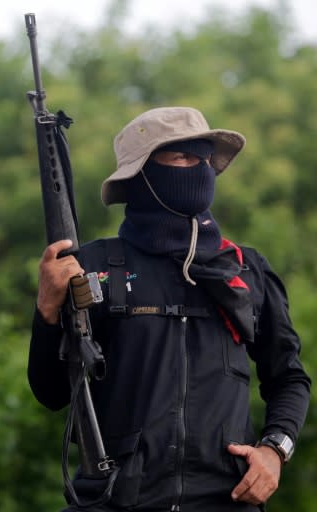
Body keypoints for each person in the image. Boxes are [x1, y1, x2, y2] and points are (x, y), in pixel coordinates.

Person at [28, 106, 311, 512]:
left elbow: (289, 377)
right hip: (113, 501)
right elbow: (50, 392)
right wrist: (47, 308)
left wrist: (275, 450)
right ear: (142, 174)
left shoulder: (246, 270)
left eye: (203, 157)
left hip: (227, 501)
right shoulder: (93, 266)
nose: (197, 168)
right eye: (181, 157)